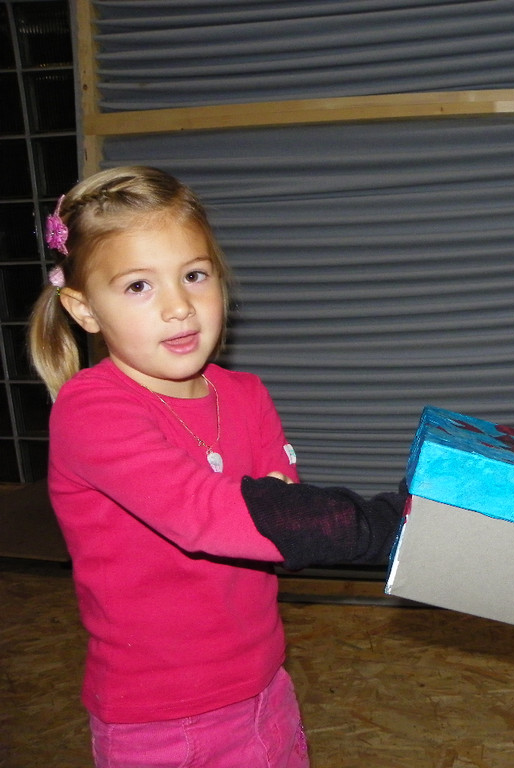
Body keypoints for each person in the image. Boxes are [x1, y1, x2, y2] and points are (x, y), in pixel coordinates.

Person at [29, 166, 406, 768]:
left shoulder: (245, 394)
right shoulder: (92, 411)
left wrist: (277, 513)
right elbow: (218, 517)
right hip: (159, 719)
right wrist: (388, 523)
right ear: (84, 309)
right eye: (138, 286)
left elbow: (278, 521)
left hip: (265, 688)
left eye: (194, 275)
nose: (179, 307)